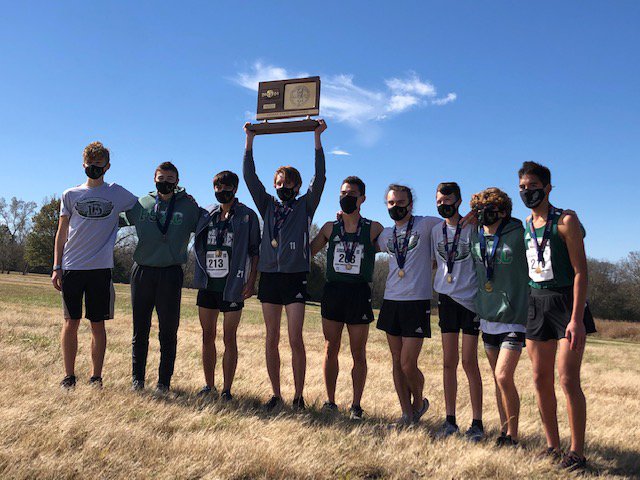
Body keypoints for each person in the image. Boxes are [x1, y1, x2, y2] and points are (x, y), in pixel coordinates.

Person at [243, 119, 327, 410]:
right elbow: (250, 178)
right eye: (279, 184)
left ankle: (299, 396)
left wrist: (317, 139)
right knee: (271, 338)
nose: (283, 188)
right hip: (269, 276)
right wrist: (249, 142)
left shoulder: (305, 205)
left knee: (295, 339)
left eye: (288, 184)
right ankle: (276, 394)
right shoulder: (268, 205)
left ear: (298, 185)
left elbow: (321, 177)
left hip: (294, 277)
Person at [518, 161, 596, 471]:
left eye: (533, 187)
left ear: (548, 187)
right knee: (539, 379)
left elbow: (581, 272)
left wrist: (576, 319)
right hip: (536, 303)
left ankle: (576, 452)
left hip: (566, 304)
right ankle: (552, 445)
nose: (528, 192)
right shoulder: (526, 223)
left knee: (567, 379)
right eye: (523, 187)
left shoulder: (566, 220)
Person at [52, 141, 137, 389]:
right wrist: (57, 266)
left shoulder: (117, 193)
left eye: (99, 165)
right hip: (72, 267)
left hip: (100, 269)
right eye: (90, 164)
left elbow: (142, 206)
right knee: (71, 322)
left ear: (107, 166)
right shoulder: (70, 194)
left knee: (97, 324)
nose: (94, 168)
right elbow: (61, 232)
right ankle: (69, 376)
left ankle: (96, 377)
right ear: (83, 165)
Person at [123, 162, 201, 393]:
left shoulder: (188, 206)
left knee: (168, 331)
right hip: (143, 271)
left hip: (171, 272)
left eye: (170, 178)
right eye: (161, 178)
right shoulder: (141, 204)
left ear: (177, 181)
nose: (165, 182)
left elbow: (208, 226)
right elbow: (113, 220)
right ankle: (137, 380)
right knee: (140, 329)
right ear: (153, 179)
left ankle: (163, 383)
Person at [310, 176, 383, 420]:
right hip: (334, 291)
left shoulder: (374, 228)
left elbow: (398, 247)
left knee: (358, 352)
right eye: (343, 193)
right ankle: (330, 402)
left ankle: (356, 405)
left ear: (362, 199)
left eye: (352, 194)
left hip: (359, 293)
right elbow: (308, 251)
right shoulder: (330, 227)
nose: (346, 197)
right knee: (331, 348)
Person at [193, 170, 260, 400]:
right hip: (208, 284)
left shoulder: (247, 216)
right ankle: (209, 385)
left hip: (233, 286)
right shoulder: (207, 215)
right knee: (207, 335)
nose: (222, 192)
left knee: (229, 337)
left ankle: (227, 390)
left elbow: (254, 251)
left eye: (227, 187)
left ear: (235, 189)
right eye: (218, 188)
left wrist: (251, 282)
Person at [376, 184, 440, 426]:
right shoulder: (386, 235)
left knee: (407, 363)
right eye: (391, 203)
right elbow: (367, 242)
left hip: (417, 301)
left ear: (410, 204)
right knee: (395, 361)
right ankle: (406, 414)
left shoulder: (426, 224)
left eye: (400, 203)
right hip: (392, 300)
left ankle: (418, 403)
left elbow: (454, 223)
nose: (396, 207)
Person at [470, 188, 528, 447]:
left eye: (490, 209)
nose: (484, 214)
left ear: (503, 211)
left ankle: (513, 436)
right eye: (480, 210)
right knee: (497, 378)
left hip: (514, 316)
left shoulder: (518, 232)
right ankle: (503, 432)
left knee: (504, 376)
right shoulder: (475, 234)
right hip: (488, 314)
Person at [431, 182, 483, 441]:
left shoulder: (473, 226)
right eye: (439, 200)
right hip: (446, 299)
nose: (443, 204)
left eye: (447, 199)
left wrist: (476, 209)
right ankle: (450, 420)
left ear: (459, 201)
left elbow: (492, 204)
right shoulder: (434, 230)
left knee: (469, 362)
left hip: (470, 301)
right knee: (448, 362)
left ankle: (477, 423)